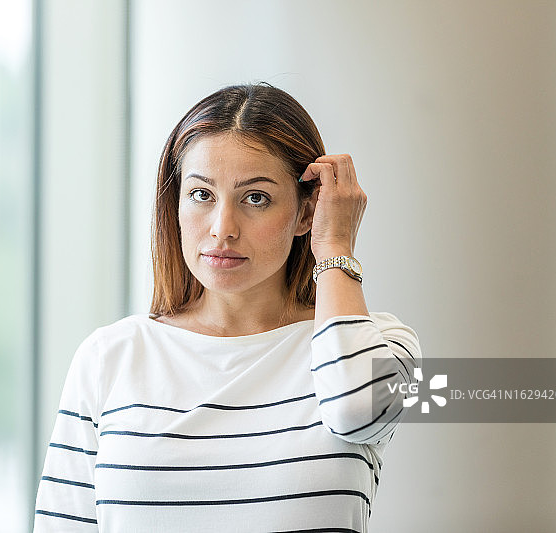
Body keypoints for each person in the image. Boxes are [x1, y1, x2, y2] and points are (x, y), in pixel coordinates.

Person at [33, 82, 422, 532]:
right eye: (201, 194)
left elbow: (357, 410)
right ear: (175, 203)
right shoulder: (110, 356)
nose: (223, 229)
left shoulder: (384, 344)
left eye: (256, 198)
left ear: (304, 213)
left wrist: (334, 245)